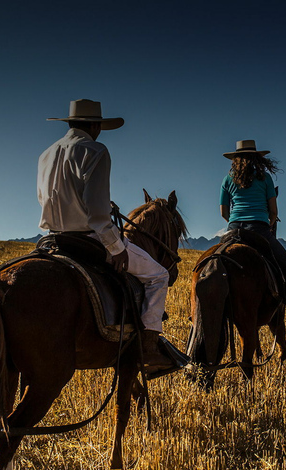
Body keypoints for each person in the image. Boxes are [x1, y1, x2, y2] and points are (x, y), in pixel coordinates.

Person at [38, 98, 186, 378]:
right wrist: (116, 248)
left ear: (69, 123)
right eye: (100, 127)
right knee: (158, 276)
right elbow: (95, 215)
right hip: (89, 238)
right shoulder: (95, 150)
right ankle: (149, 348)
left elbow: (55, 197)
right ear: (95, 125)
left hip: (53, 238)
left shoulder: (46, 154)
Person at [219, 139, 286, 340]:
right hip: (259, 229)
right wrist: (269, 221)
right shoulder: (265, 178)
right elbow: (274, 211)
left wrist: (235, 221)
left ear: (235, 159)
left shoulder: (226, 180)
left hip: (233, 229)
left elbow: (223, 211)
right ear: (257, 159)